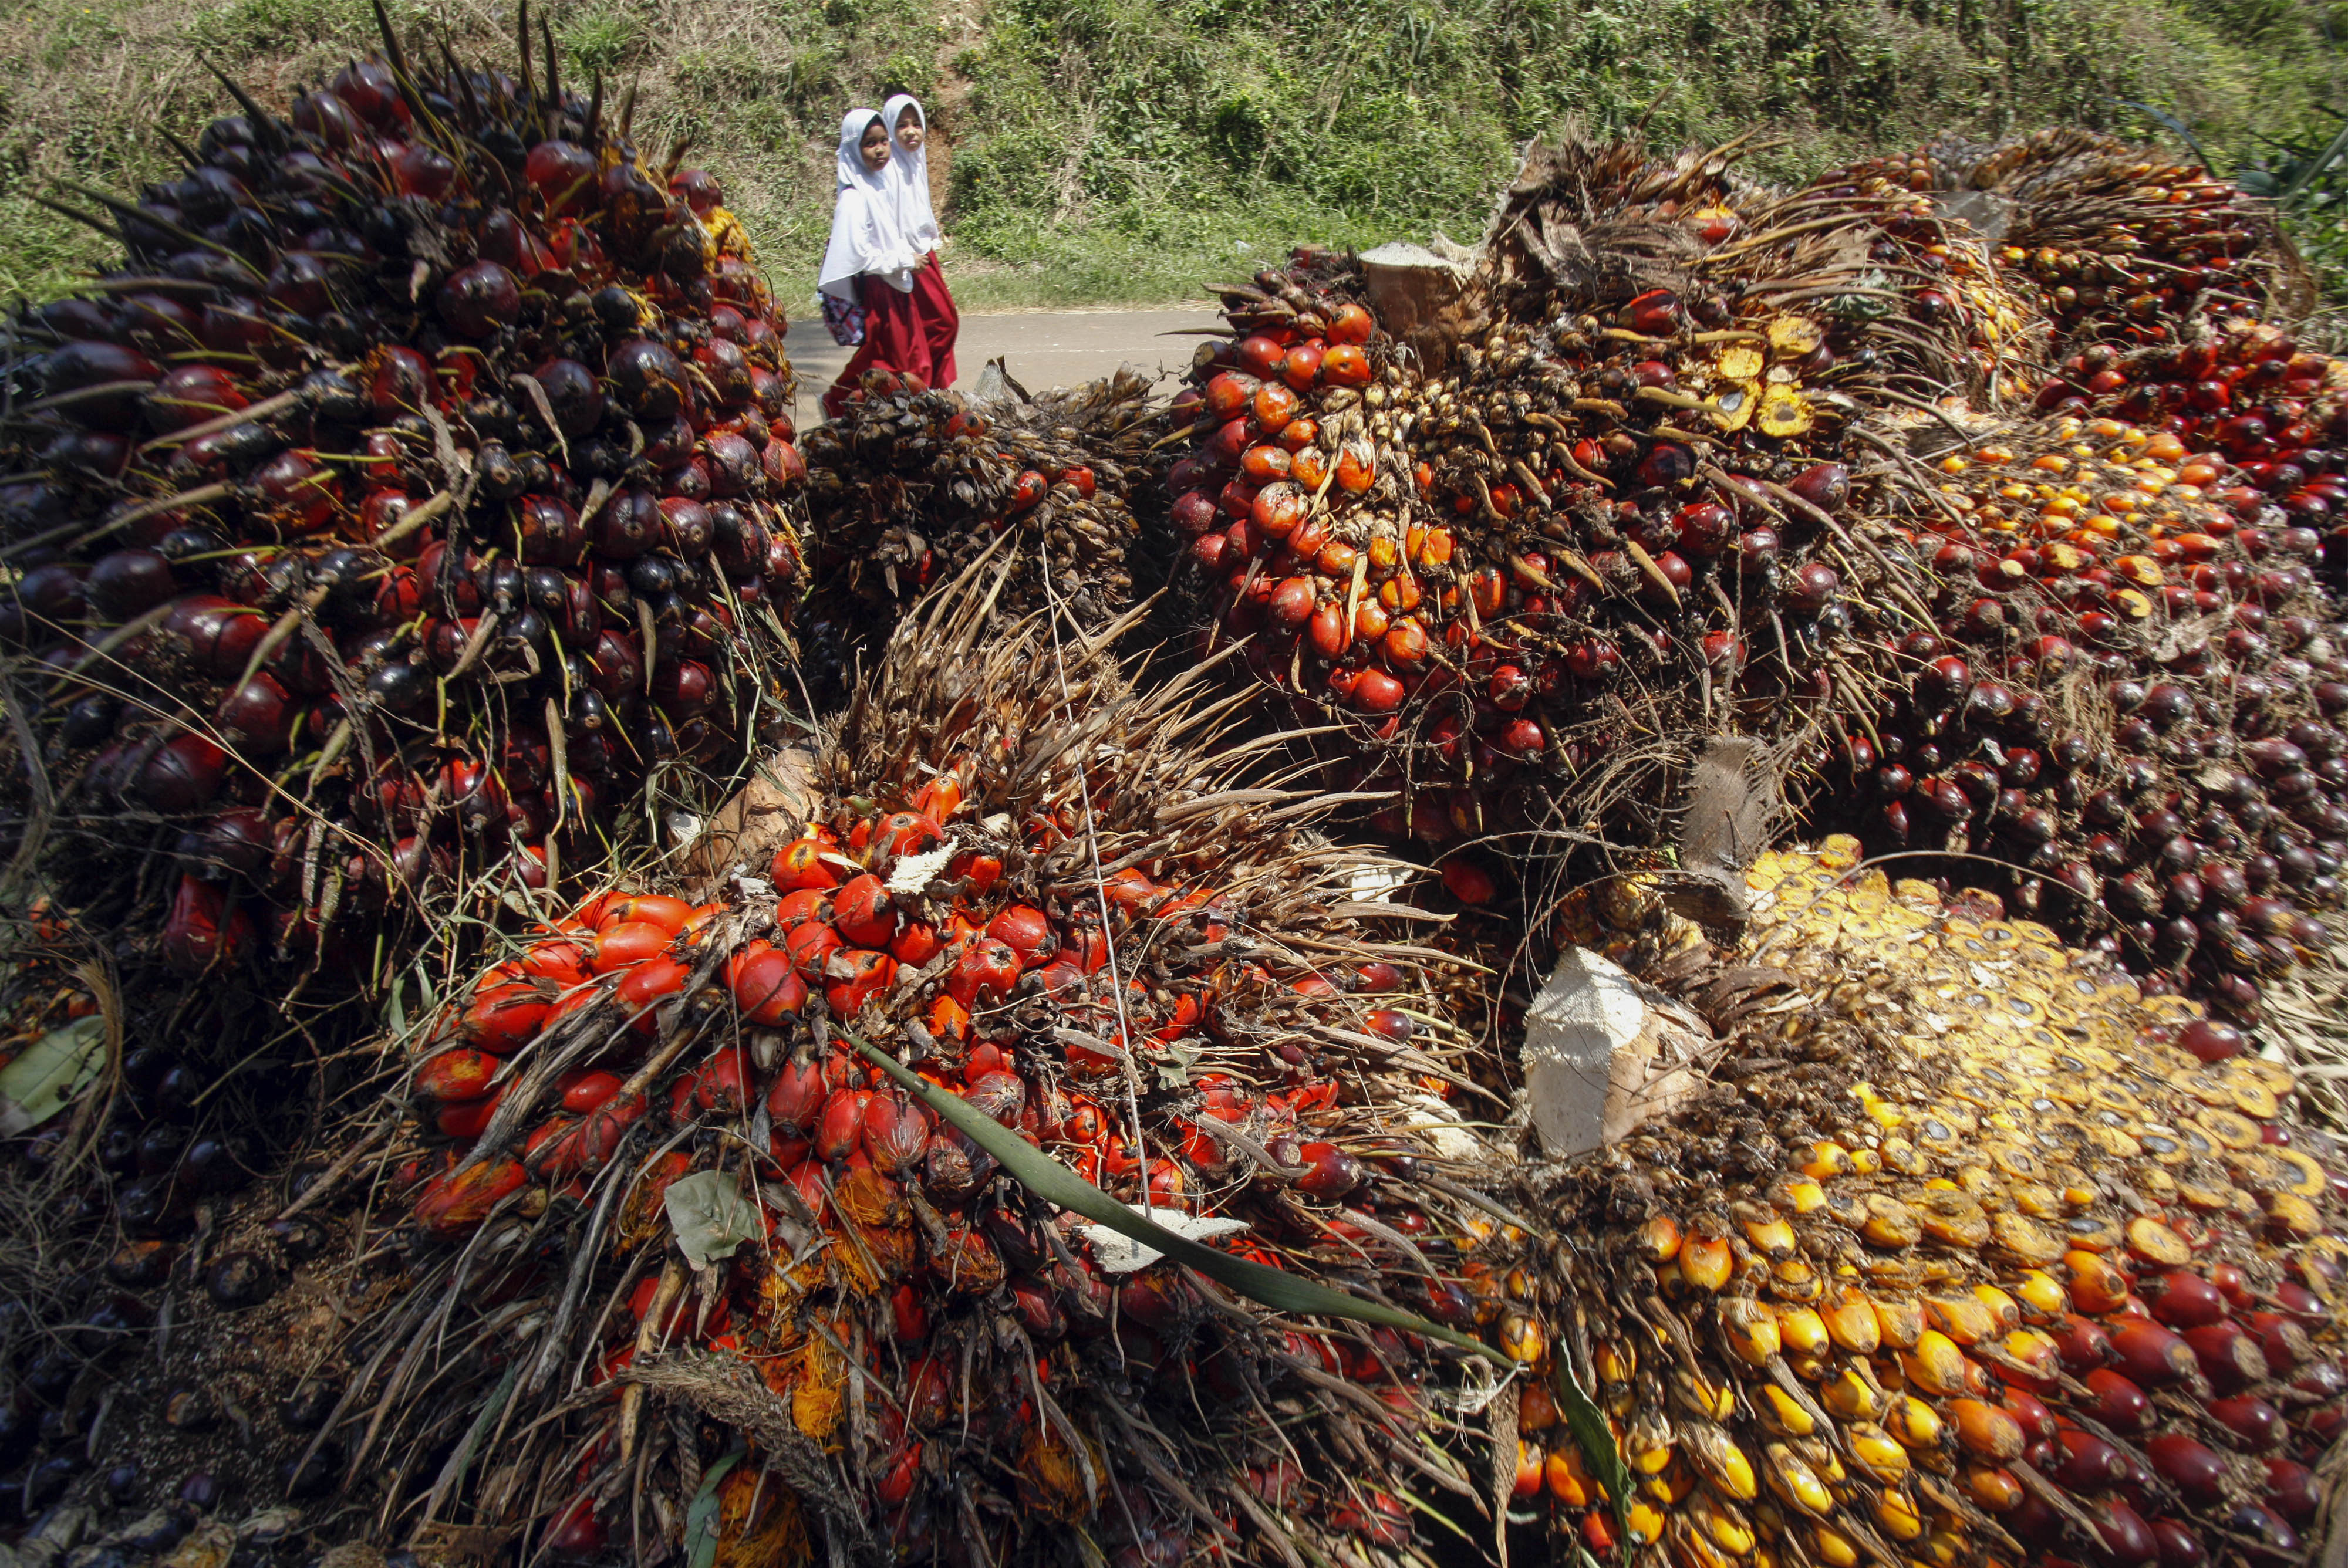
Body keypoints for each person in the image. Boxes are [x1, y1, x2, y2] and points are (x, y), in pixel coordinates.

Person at [818, 109, 925, 419]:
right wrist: (905, 260)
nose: (880, 150)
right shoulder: (854, 199)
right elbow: (860, 257)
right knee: (887, 361)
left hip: (897, 282)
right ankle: (838, 399)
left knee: (909, 357)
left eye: (884, 141)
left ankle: (877, 411)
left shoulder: (881, 183)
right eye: (869, 144)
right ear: (854, 149)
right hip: (880, 287)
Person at [880, 93, 960, 391]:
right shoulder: (889, 170)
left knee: (929, 327)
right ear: (890, 130)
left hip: (924, 252)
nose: (911, 131)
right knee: (943, 323)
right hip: (908, 258)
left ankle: (928, 391)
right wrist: (904, 258)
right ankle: (925, 389)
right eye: (901, 125)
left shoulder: (915, 159)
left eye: (916, 124)